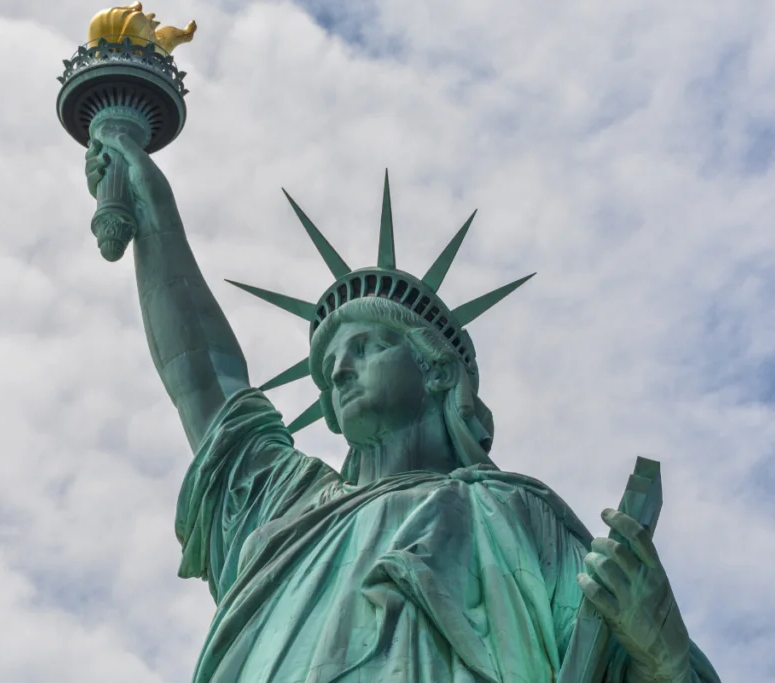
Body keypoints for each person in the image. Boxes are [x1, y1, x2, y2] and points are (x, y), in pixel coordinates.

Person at [84, 128, 722, 683]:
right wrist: (152, 212)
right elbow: (204, 379)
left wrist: (658, 650)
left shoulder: (516, 519)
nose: (338, 368)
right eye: (329, 362)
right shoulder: (285, 509)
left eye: (367, 345)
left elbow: (612, 656)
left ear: (437, 369)